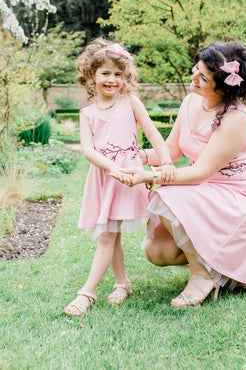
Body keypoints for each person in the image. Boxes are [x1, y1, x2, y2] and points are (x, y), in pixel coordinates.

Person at [111, 40, 246, 309]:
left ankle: (202, 275)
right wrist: (133, 156)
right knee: (157, 252)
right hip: (204, 190)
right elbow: (169, 150)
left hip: (235, 198)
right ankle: (214, 261)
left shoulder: (236, 119)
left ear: (223, 87)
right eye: (196, 69)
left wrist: (149, 177)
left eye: (203, 77)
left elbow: (199, 172)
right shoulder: (191, 101)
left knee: (164, 192)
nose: (193, 77)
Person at [64, 38, 174, 316]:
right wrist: (111, 168)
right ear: (91, 76)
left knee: (107, 235)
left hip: (129, 177)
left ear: (125, 78)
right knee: (110, 235)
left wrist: (167, 160)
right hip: (105, 178)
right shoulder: (87, 113)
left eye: (118, 74)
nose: (112, 80)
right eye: (105, 73)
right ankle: (122, 283)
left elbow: (153, 134)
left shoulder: (130, 103)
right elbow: (88, 150)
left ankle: (86, 293)